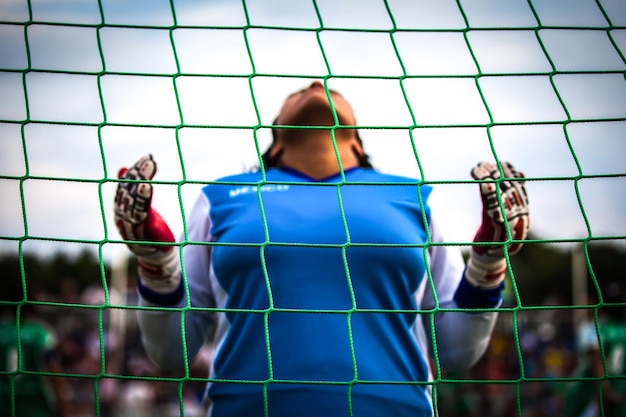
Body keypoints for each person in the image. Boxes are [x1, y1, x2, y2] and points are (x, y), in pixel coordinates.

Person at [114, 81, 530, 417]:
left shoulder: (414, 197)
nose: (316, 84)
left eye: (329, 88)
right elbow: (171, 351)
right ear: (274, 142)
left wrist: (488, 262)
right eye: (297, 92)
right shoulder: (222, 197)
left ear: (358, 143)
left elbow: (453, 352)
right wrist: (156, 262)